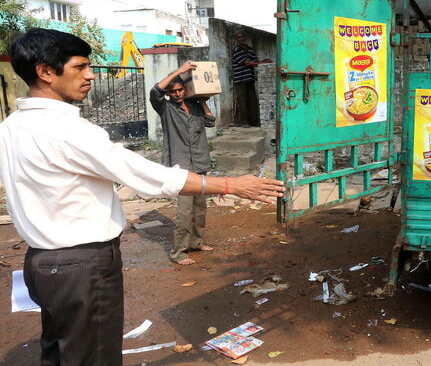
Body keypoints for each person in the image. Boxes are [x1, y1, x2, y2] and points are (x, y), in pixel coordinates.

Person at [0, 28, 285, 365]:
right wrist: (232, 186)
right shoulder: (69, 131)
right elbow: (145, 175)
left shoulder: (13, 125)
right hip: (81, 265)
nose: (90, 75)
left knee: (59, 351)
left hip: (43, 263)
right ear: (46, 72)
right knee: (94, 356)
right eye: (80, 67)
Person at [150, 61, 216, 265]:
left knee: (200, 208)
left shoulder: (195, 107)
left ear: (186, 90)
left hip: (200, 162)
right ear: (169, 94)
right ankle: (179, 252)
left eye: (180, 90)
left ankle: (196, 242)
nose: (178, 94)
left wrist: (203, 100)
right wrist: (180, 71)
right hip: (181, 167)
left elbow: (211, 121)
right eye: (174, 91)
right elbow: (155, 90)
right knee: (185, 211)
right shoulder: (166, 108)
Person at [232, 29, 272, 126]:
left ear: (245, 37)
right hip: (240, 79)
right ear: (236, 39)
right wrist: (262, 62)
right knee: (242, 101)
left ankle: (254, 122)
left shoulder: (250, 49)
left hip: (249, 79)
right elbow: (248, 62)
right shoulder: (236, 50)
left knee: (252, 101)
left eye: (242, 37)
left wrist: (263, 61)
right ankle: (244, 122)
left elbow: (255, 62)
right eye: (239, 37)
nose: (241, 39)